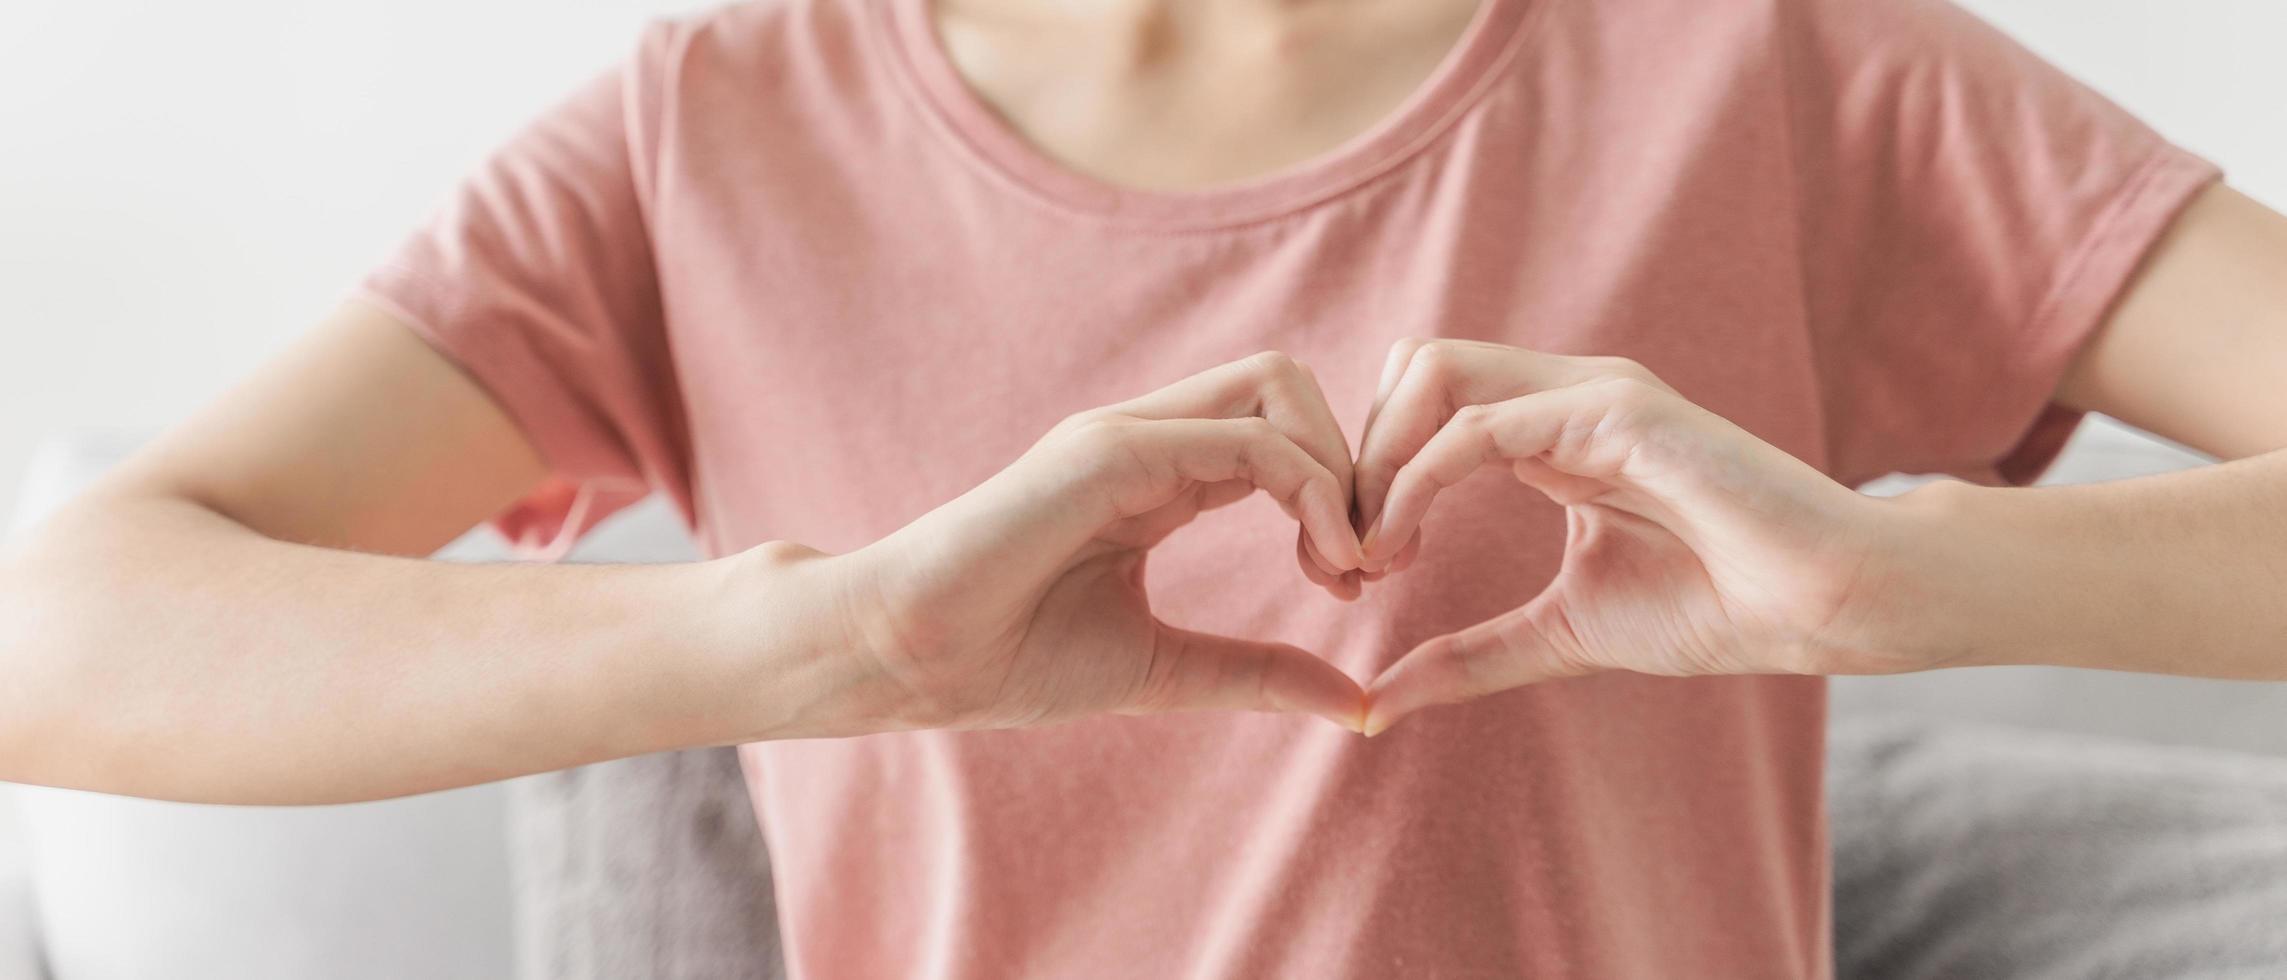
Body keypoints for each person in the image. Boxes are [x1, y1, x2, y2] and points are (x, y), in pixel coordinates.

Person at [3, 0, 2284, 974]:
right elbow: (62, 634)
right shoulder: (721, 121)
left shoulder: (1767, 64)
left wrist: (1904, 577)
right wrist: (824, 638)